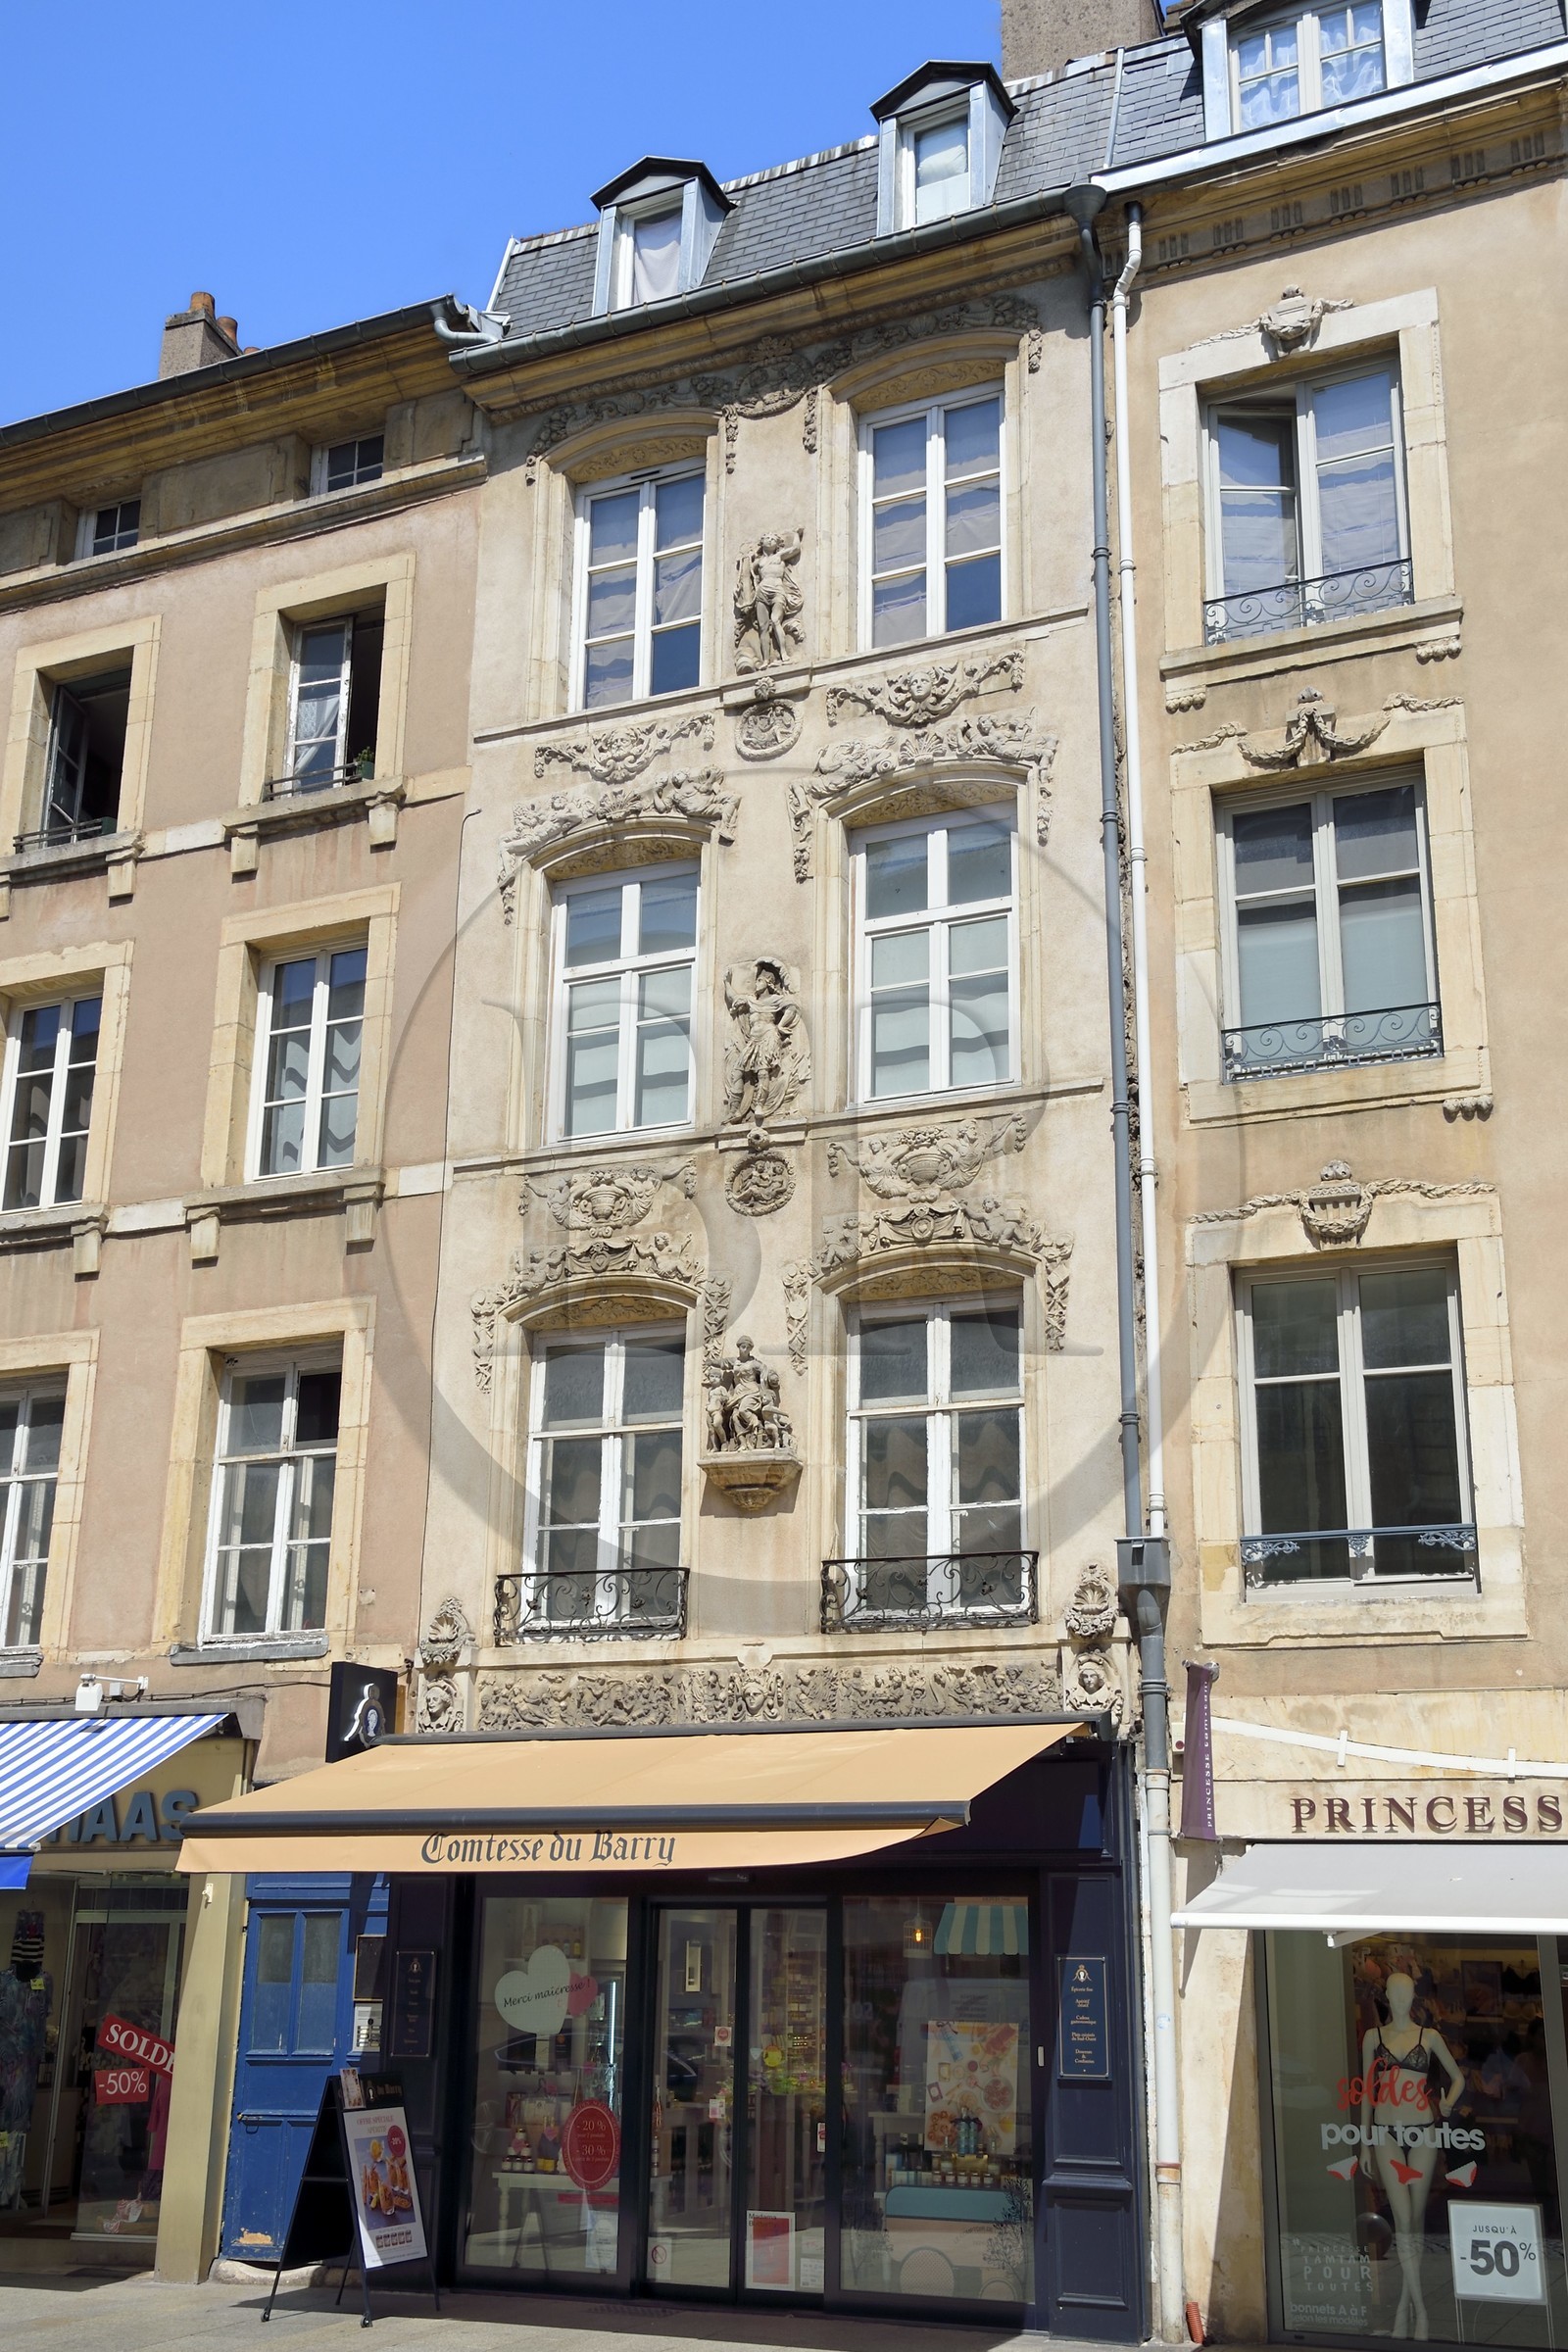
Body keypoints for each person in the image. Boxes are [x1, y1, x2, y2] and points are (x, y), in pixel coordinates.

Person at [1359, 1972, 1466, 2339]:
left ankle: (1404, 2309)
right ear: (1387, 1997)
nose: (1402, 1999)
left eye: (1408, 1993)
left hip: (1423, 2131)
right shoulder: (1373, 2037)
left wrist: (1449, 2103)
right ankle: (1420, 2311)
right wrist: (1364, 2141)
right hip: (1385, 2132)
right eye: (1396, 1993)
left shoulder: (1430, 2037)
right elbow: (1368, 2092)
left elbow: (1457, 2078)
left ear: (1414, 1995)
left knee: (1414, 2221)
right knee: (1404, 2219)